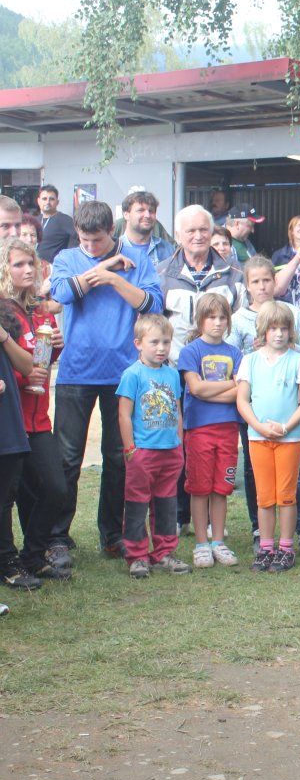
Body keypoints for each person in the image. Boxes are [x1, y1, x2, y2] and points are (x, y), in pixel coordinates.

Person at [49, 199, 164, 558]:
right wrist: (104, 266)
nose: (90, 246)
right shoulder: (67, 258)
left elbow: (152, 304)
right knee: (67, 458)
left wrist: (113, 278)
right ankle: (56, 536)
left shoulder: (137, 258)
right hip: (75, 372)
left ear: (111, 232)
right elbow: (61, 293)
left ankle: (112, 535)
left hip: (122, 373)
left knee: (118, 456)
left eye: (97, 241)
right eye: (84, 240)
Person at [229, 256, 300, 560]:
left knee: (293, 478)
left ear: (275, 281)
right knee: (256, 475)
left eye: (267, 280)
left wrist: (290, 350)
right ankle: (262, 535)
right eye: (255, 281)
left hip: (288, 413)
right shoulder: (239, 320)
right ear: (247, 285)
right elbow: (233, 361)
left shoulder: (292, 313)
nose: (262, 286)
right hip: (256, 415)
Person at [1, 238, 69, 582]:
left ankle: (33, 554)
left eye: (31, 263)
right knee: (9, 496)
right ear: (4, 269)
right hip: (9, 419)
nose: (28, 270)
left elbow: (43, 362)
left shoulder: (41, 310)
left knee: (55, 488)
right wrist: (22, 376)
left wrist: (56, 348)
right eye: (18, 264)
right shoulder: (3, 312)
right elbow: (9, 367)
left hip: (38, 418)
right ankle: (10, 562)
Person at [236, 301, 300, 574]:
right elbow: (242, 400)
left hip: (289, 439)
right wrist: (258, 426)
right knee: (264, 496)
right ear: (263, 331)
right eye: (273, 328)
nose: (279, 334)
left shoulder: (298, 361)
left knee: (286, 495)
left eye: (284, 328)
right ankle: (266, 548)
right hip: (257, 438)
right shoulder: (249, 361)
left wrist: (285, 426)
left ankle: (286, 547)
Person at [116, 314, 190, 579]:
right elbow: (124, 414)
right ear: (138, 343)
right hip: (142, 453)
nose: (161, 348)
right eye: (154, 342)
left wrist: (179, 444)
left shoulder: (171, 375)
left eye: (166, 342)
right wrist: (130, 449)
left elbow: (177, 410)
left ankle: (164, 552)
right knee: (137, 504)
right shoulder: (132, 375)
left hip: (170, 451)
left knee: (167, 504)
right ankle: (137, 555)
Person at [178, 293, 242, 569]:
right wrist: (229, 385)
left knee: (221, 488)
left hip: (228, 429)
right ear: (200, 320)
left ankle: (218, 541)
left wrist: (211, 391)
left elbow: (241, 392)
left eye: (222, 317)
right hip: (199, 429)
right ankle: (201, 543)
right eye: (211, 317)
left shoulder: (235, 353)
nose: (217, 323)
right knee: (199, 487)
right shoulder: (190, 352)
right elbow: (196, 388)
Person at [158, 205, 246, 366]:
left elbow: (242, 324)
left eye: (203, 230)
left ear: (211, 233)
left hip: (222, 369)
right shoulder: (161, 274)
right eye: (191, 231)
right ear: (178, 236)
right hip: (174, 369)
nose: (198, 236)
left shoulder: (235, 273)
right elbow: (153, 326)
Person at [0, 279, 35, 592]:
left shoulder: (6, 317)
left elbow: (27, 365)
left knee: (5, 497)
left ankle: (8, 560)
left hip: (8, 420)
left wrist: (4, 337)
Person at [117, 190, 174, 267]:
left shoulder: (167, 250)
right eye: (140, 210)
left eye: (151, 211)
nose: (147, 215)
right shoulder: (115, 249)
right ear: (126, 215)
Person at [36, 185, 78, 262]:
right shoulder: (36, 220)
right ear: (38, 201)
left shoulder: (65, 220)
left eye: (51, 199)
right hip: (35, 265)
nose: (47, 202)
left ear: (57, 202)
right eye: (44, 199)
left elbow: (80, 238)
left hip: (54, 267)